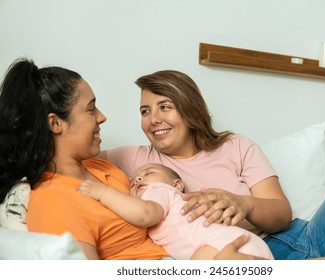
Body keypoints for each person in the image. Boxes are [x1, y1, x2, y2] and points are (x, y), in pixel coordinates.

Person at [101, 70, 325, 259]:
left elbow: (281, 213)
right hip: (239, 258)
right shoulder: (135, 159)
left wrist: (243, 204)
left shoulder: (235, 146)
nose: (153, 119)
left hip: (301, 239)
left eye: (165, 106)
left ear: (189, 109)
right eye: (144, 111)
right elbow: (71, 156)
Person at [0, 59, 258, 260]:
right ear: (56, 123)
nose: (102, 117)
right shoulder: (54, 199)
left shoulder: (103, 168)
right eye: (91, 108)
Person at [78, 162, 274, 260]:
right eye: (132, 181)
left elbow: (145, 214)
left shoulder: (160, 190)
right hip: (236, 246)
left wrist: (103, 192)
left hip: (224, 244)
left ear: (177, 184)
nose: (137, 180)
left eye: (148, 173)